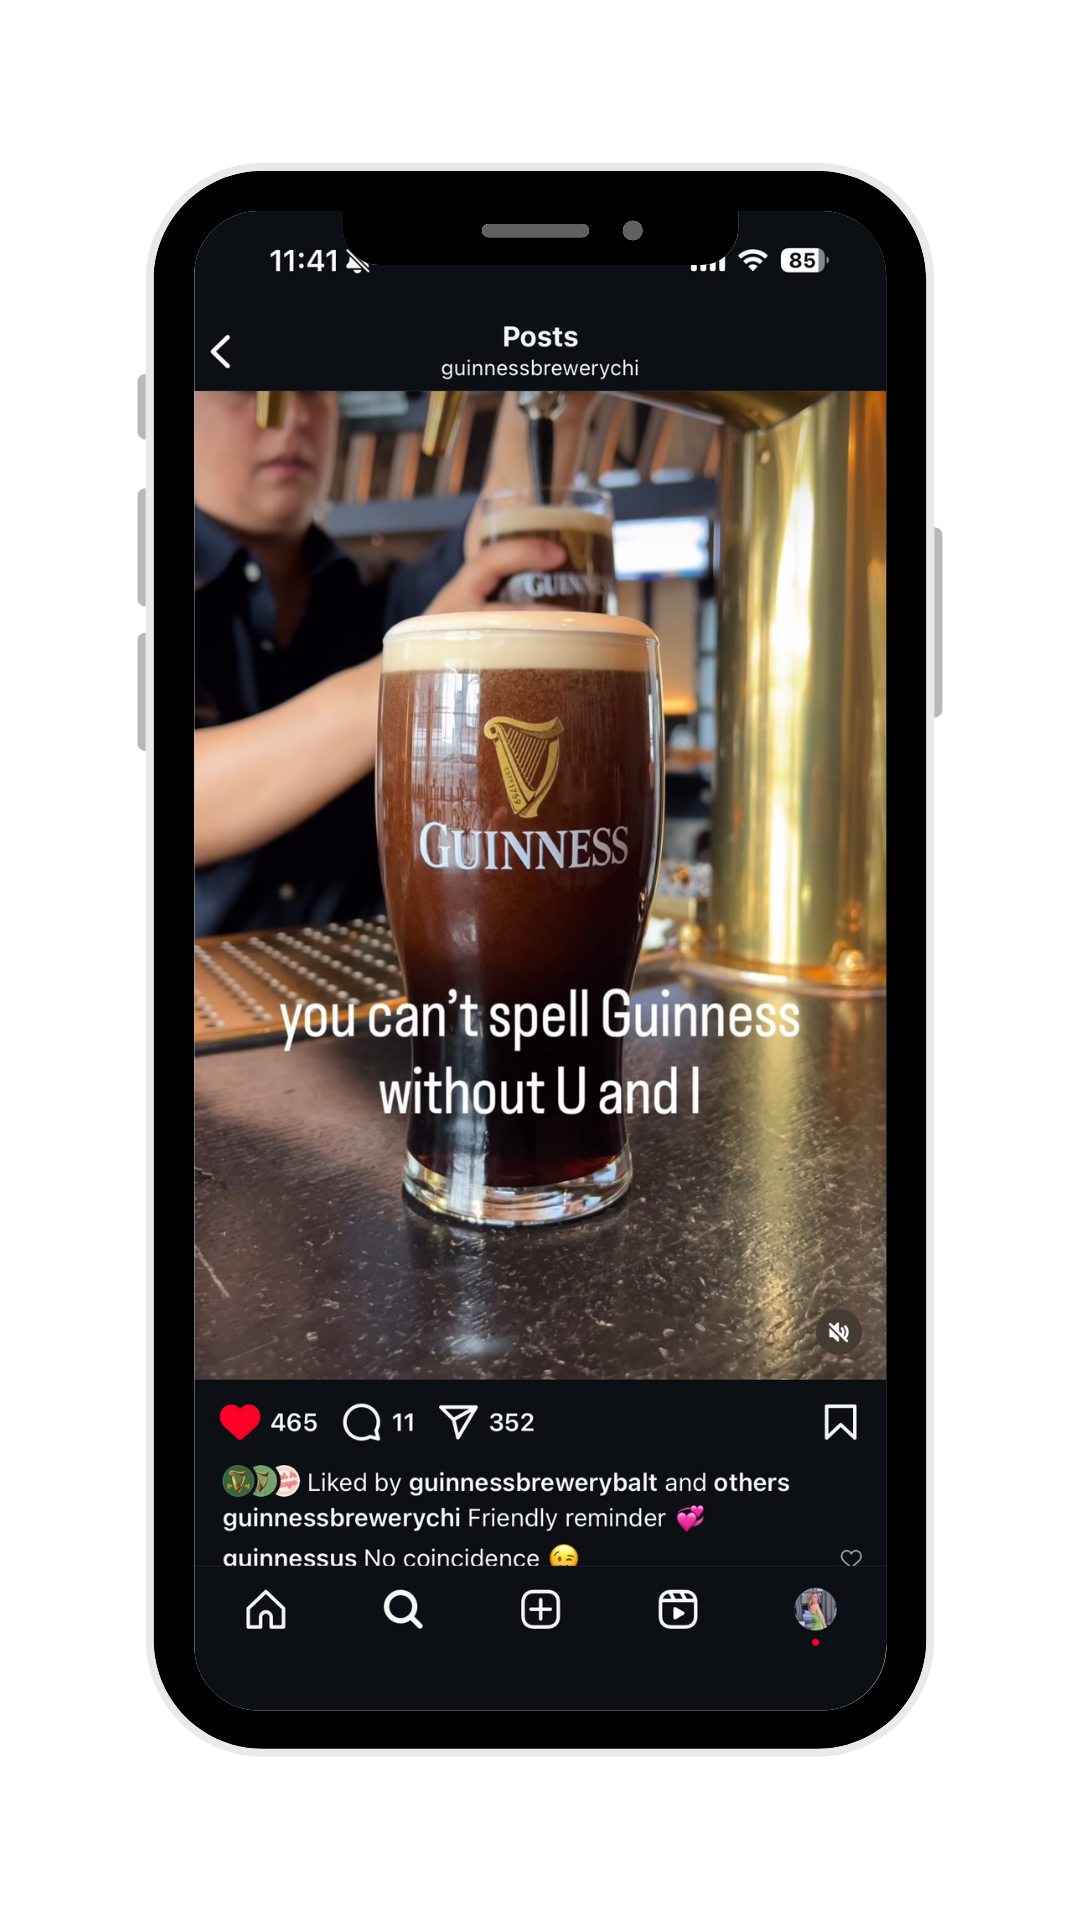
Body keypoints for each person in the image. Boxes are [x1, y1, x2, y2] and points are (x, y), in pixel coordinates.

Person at [194, 389, 594, 935]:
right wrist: (417, 665)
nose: (293, 417)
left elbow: (507, 535)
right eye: (247, 388)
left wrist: (555, 383)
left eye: (315, 391)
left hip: (381, 1004)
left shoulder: (368, 596)